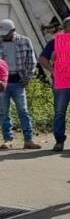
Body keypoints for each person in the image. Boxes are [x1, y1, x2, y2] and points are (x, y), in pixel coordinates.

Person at [38, 16, 70, 152]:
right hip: (62, 82)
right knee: (60, 112)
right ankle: (59, 141)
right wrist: (53, 71)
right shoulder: (55, 42)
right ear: (69, 26)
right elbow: (42, 58)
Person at [0, 19, 41, 150]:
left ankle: (28, 140)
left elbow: (32, 61)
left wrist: (28, 78)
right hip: (2, 82)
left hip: (19, 80)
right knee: (4, 111)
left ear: (13, 30)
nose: (3, 35)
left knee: (23, 111)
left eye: (6, 33)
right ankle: (8, 139)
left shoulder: (24, 41)